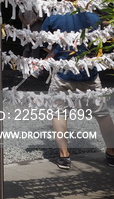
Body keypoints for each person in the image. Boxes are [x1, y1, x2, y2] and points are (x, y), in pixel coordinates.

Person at [41, 11, 114, 169]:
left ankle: (64, 156)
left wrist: (58, 51)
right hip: (89, 73)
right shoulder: (95, 16)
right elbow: (103, 41)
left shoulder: (54, 16)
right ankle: (112, 152)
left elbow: (43, 42)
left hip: (63, 73)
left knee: (59, 113)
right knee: (102, 114)